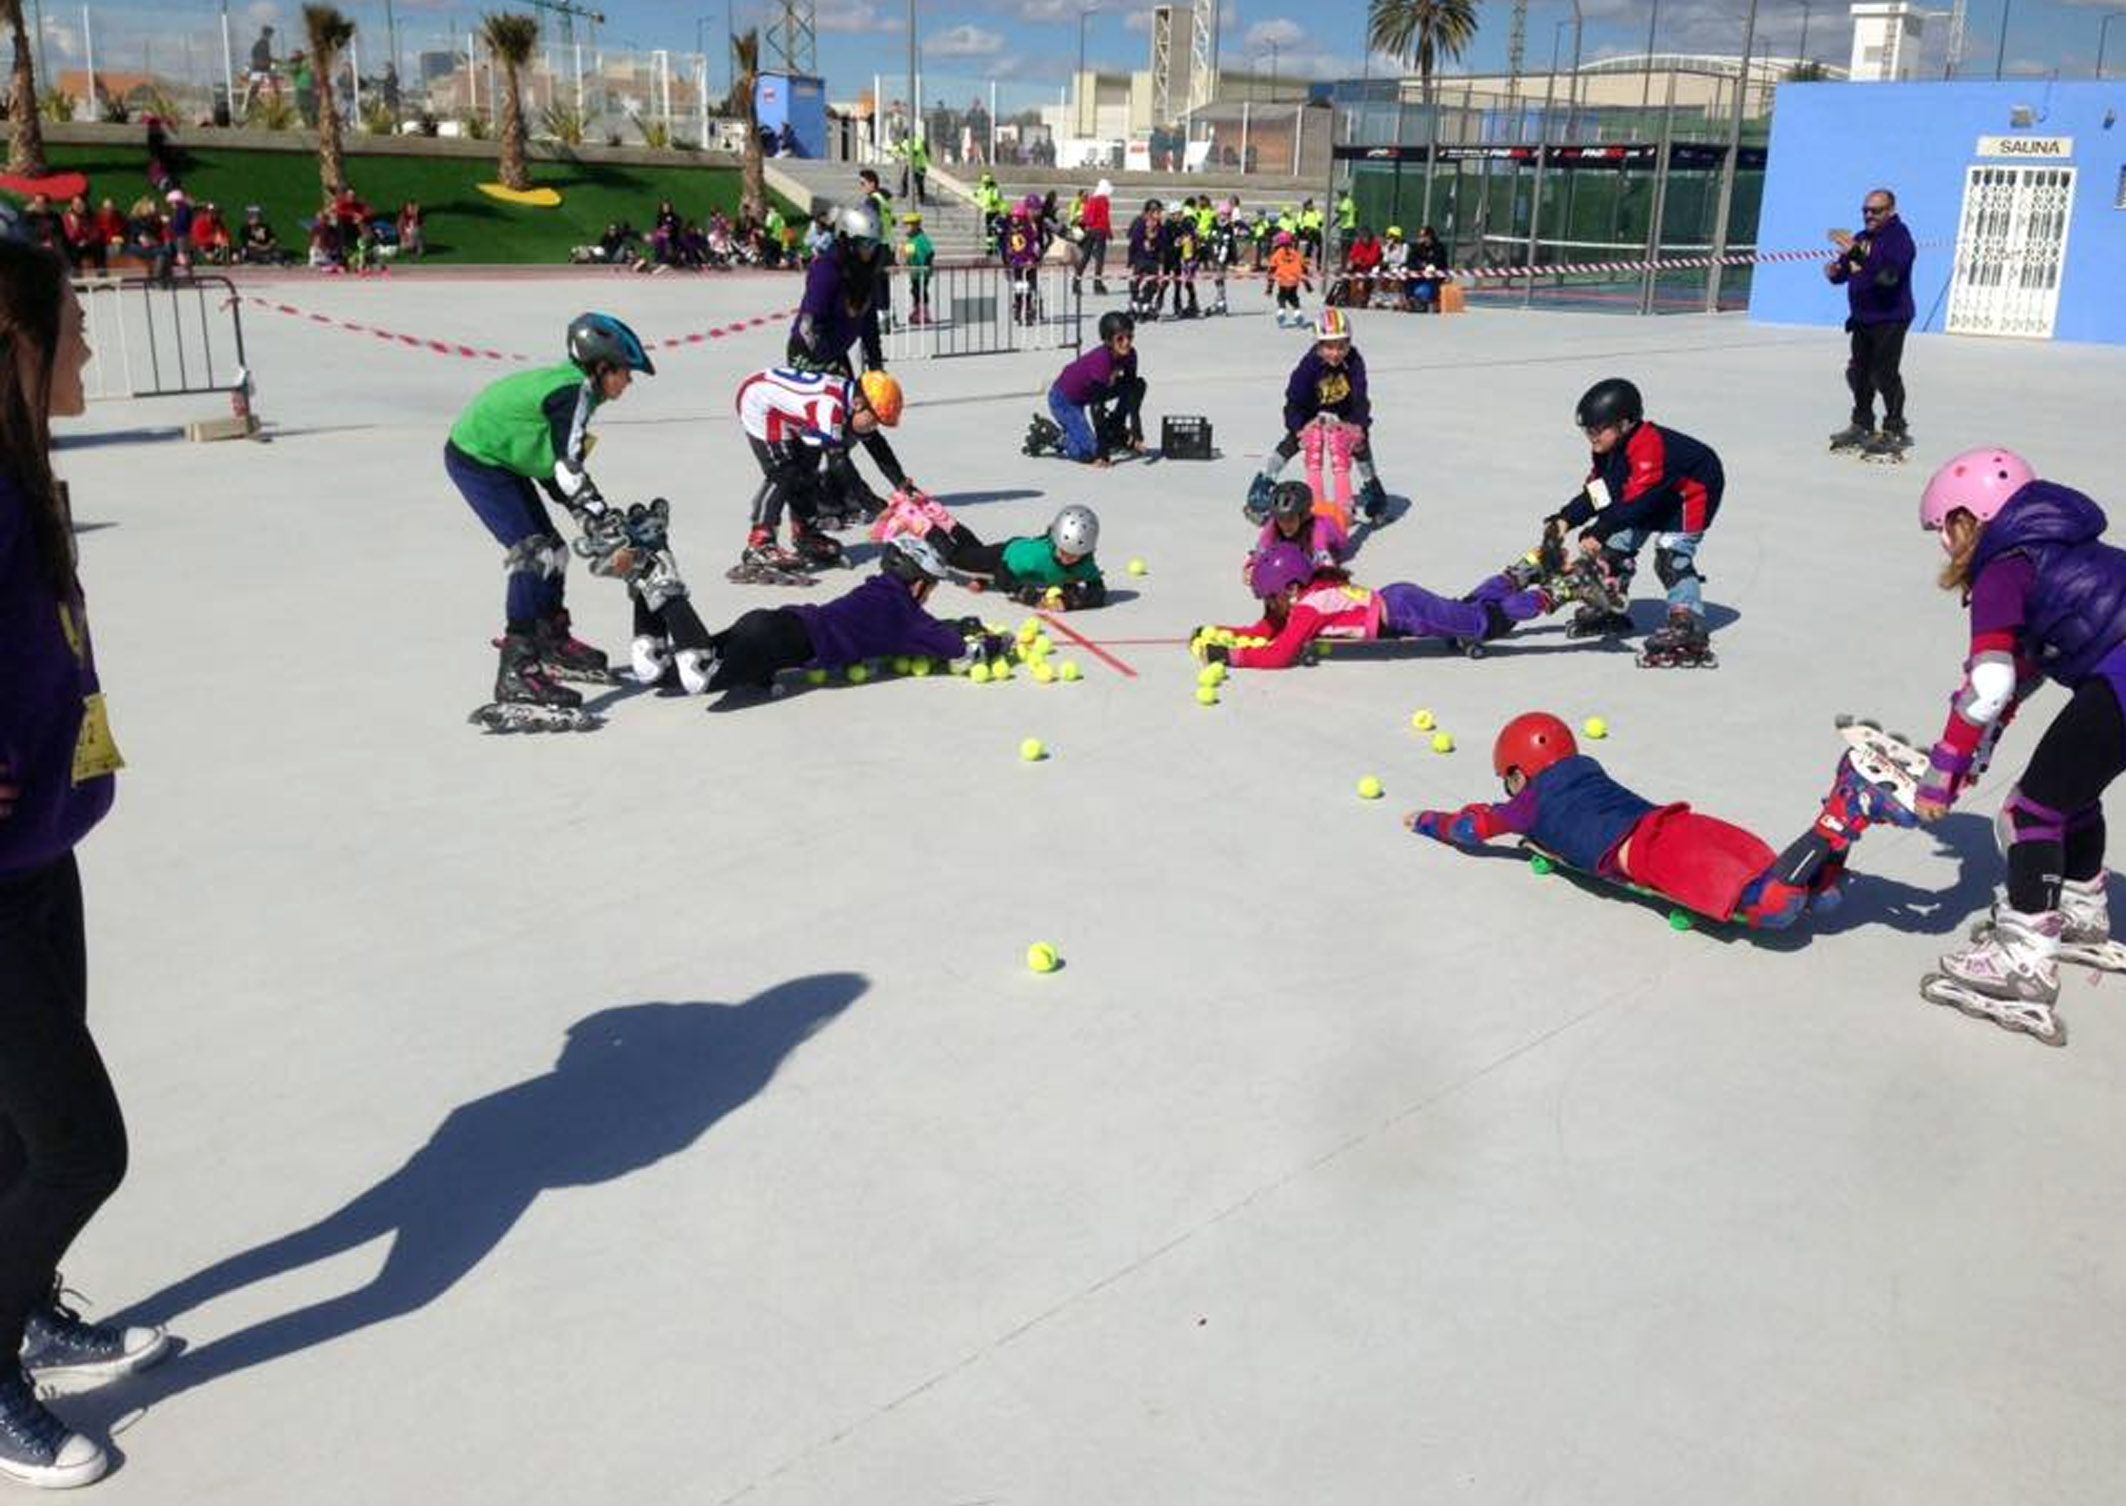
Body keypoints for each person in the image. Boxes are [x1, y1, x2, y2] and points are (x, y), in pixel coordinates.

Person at [0, 239, 172, 1492]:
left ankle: (30, 1310)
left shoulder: (24, 470)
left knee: (18, 1139)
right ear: (14, 340)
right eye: (75, 326)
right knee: (80, 1148)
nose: (93, 349)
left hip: (40, 853)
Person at [1907, 449, 2126, 1044]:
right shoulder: (2057, 546)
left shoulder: (2004, 568)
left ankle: (2022, 961)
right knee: (2071, 793)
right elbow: (2011, 686)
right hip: (2118, 677)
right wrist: (1960, 764)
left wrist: (1939, 775)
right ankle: (2080, 910)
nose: (1944, 545)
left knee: (2029, 812)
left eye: (1943, 529)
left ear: (1969, 517)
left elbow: (1990, 684)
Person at [1405, 713, 1915, 930]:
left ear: (1519, 772)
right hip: (1676, 822)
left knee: (1775, 909)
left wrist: (1426, 820)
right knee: (1813, 896)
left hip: (1656, 853)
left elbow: (1472, 829)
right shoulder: (1587, 769)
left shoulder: (1526, 804)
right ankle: (1849, 803)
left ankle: (1845, 809)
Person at [444, 313, 655, 719]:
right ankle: (517, 670)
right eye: (626, 372)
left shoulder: (581, 393)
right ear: (601, 367)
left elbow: (553, 465)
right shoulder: (573, 394)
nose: (629, 382)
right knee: (534, 553)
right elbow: (567, 469)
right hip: (477, 459)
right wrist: (600, 517)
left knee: (556, 551)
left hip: (507, 458)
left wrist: (591, 517)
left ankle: (550, 640)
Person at [689, 534, 997, 706]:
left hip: (772, 621)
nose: (928, 595)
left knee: (676, 664)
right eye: (931, 586)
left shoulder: (876, 590)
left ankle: (654, 617)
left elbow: (899, 632)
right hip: (776, 643)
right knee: (698, 680)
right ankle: (664, 594)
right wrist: (996, 643)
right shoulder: (906, 615)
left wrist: (952, 625)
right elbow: (962, 653)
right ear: (918, 584)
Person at [1543, 377, 1724, 666]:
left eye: (1598, 428)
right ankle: (1611, 607)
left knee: (1671, 556)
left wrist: (1599, 530)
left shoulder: (1647, 445)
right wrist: (1565, 519)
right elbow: (1602, 491)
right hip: (1656, 492)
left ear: (1625, 423)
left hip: (1692, 493)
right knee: (1613, 550)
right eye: (1587, 429)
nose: (1592, 435)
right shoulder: (1607, 449)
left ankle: (1687, 624)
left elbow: (1636, 502)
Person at [1194, 540, 1571, 670]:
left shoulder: (1308, 608)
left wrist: (1232, 658)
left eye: (1269, 597)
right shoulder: (1304, 597)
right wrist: (1221, 635)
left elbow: (1280, 654)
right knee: (1468, 608)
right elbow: (1267, 632)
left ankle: (1554, 593)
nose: (1268, 605)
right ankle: (1524, 569)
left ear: (1290, 588)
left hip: (1406, 611)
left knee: (1482, 625)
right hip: (1400, 601)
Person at [732, 364, 904, 578]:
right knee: (785, 472)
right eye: (875, 420)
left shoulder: (853, 402)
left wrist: (902, 485)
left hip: (787, 406)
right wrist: (874, 506)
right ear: (859, 404)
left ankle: (805, 532)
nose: (874, 427)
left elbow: (877, 446)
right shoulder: (828, 407)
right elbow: (839, 465)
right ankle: (760, 542)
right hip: (759, 401)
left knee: (807, 469)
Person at [1246, 310, 1388, 524]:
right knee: (1293, 442)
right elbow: (1293, 401)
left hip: (1345, 405)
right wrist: (1299, 427)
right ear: (1318, 345)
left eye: (1341, 346)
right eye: (1329, 347)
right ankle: (1266, 481)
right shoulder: (1308, 367)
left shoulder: (1354, 361)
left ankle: (1372, 486)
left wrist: (1358, 426)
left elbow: (1360, 396)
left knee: (1360, 442)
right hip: (1309, 406)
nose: (1336, 353)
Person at [1826, 187, 1917, 461]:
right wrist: (1835, 271)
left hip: (1890, 317)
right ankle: (1862, 424)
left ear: (1891, 211)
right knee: (1859, 373)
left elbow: (1888, 277)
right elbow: (1845, 271)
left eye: (1875, 210)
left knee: (1884, 374)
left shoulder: (1899, 239)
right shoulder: (1862, 238)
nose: (1868, 215)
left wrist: (1857, 255)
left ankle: (1895, 429)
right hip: (1862, 317)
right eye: (1865, 210)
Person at [885, 501, 1108, 610]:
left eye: (1075, 555)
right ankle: (917, 520)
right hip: (1005, 557)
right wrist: (1029, 596)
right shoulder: (1036, 557)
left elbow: (1098, 591)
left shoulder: (1086, 564)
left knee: (974, 551)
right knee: (957, 560)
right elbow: (1002, 576)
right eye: (1063, 550)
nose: (1068, 558)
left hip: (1016, 548)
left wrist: (1069, 601)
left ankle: (944, 520)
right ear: (1054, 541)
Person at [1028, 310, 1144, 466]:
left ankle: (1116, 429)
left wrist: (1137, 431)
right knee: (1089, 453)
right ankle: (1054, 436)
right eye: (1120, 339)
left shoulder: (1130, 355)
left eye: (1130, 337)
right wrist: (1102, 453)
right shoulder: (1102, 360)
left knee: (1138, 385)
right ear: (1108, 340)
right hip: (1064, 400)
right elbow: (1097, 409)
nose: (1126, 342)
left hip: (1087, 394)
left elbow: (1130, 391)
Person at [1250, 480, 1350, 571]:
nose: (1285, 525)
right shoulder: (1273, 523)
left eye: (1290, 519)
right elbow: (1261, 549)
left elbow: (1326, 564)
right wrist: (1252, 566)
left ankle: (1346, 512)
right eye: (1280, 519)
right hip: (1314, 512)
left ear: (1303, 515)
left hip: (1335, 521)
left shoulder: (1318, 529)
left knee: (1344, 514)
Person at [1126, 198, 1164, 319]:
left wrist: (1155, 240)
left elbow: (1164, 243)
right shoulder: (1139, 223)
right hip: (1140, 258)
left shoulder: (1160, 227)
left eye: (1159, 212)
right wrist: (1130, 260)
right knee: (1135, 282)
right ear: (1148, 213)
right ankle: (1135, 304)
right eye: (1156, 212)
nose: (1159, 215)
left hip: (1153, 260)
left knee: (1153, 284)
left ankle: (1146, 303)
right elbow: (1133, 242)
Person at [1264, 229, 1311, 328]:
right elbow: (1304, 269)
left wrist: (1269, 288)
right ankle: (1298, 313)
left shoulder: (1276, 254)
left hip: (1283, 280)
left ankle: (1281, 311)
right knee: (1293, 296)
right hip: (1294, 280)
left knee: (1281, 296)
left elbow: (1271, 270)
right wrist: (1308, 285)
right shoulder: (1296, 253)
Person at [1075, 178, 1112, 295]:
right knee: (1099, 258)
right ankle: (1097, 284)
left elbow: (1087, 217)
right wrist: (1109, 232)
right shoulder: (1104, 200)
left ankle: (1076, 281)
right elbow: (1105, 218)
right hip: (1100, 230)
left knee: (1085, 256)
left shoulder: (1092, 199)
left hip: (1090, 230)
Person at [898, 211, 934, 326]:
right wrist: (903, 253)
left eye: (909, 225)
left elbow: (929, 252)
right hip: (914, 271)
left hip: (921, 271)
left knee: (921, 291)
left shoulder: (921, 238)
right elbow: (908, 254)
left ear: (916, 225)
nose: (906, 227)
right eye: (906, 225)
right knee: (915, 291)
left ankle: (924, 313)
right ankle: (917, 310)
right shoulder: (911, 239)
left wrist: (926, 265)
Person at [1338, 225, 1382, 308]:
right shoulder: (1358, 244)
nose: (1364, 239)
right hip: (1358, 268)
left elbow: (1372, 260)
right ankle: (1345, 297)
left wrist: (1360, 260)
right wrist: (1355, 262)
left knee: (1369, 279)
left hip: (1371, 268)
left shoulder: (1375, 245)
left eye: (1366, 236)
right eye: (1362, 236)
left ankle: (1364, 298)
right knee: (1346, 277)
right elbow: (1352, 256)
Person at [1408, 226, 1449, 313]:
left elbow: (1440, 261)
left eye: (1423, 236)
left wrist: (1431, 265)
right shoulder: (1418, 247)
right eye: (1420, 236)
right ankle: (1411, 300)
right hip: (1421, 273)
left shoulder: (1439, 247)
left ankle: (1430, 300)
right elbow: (1411, 260)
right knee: (1408, 278)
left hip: (1435, 275)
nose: (1421, 238)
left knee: (1431, 280)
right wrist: (1420, 265)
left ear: (1429, 236)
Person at [897, 131, 928, 205]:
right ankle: (904, 193)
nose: (906, 139)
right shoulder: (906, 141)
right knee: (905, 179)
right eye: (905, 137)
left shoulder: (918, 140)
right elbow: (900, 148)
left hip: (920, 165)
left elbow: (916, 151)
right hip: (911, 165)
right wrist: (896, 150)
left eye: (907, 136)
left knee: (919, 182)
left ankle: (921, 197)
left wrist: (906, 150)